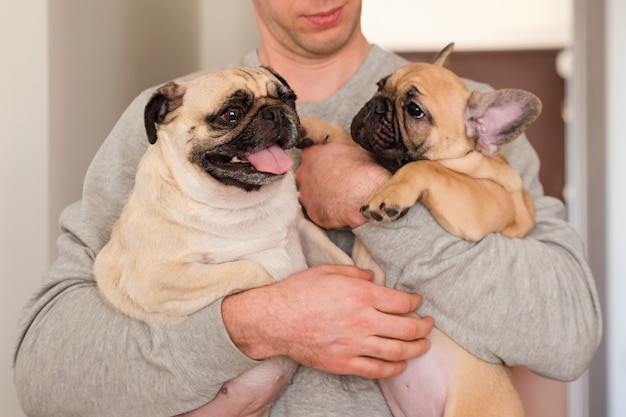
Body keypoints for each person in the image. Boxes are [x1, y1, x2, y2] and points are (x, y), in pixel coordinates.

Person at [14, 1, 601, 416]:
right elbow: (46, 372)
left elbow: (569, 335)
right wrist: (256, 324)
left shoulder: (467, 124)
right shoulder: (173, 120)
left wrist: (369, 200)